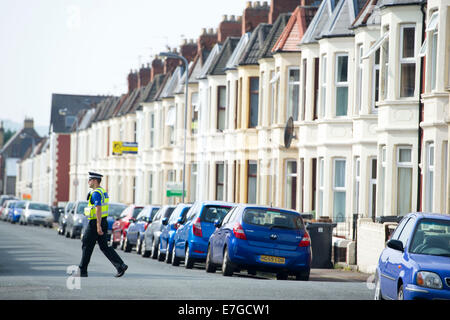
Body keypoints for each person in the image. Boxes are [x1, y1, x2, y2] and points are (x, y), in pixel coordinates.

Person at [77, 171, 128, 277]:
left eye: (90, 180)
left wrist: (98, 226)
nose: (88, 182)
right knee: (104, 246)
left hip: (96, 222)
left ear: (95, 181)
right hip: (102, 220)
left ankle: (82, 270)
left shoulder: (96, 193)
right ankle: (120, 265)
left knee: (87, 244)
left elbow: (98, 209)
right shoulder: (102, 191)